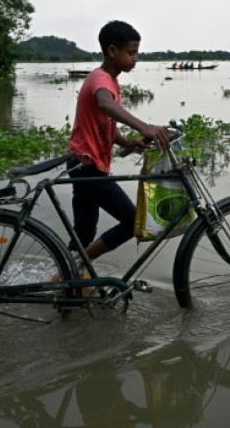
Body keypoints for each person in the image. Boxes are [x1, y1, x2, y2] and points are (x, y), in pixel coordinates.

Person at [66, 20, 171, 269]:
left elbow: (105, 124)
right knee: (133, 221)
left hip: (82, 163)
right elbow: (105, 104)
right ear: (112, 51)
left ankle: (65, 275)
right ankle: (79, 265)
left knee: (84, 231)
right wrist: (144, 126)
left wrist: (127, 141)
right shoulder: (101, 80)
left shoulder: (110, 80)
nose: (135, 59)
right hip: (87, 165)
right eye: (131, 52)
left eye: (137, 53)